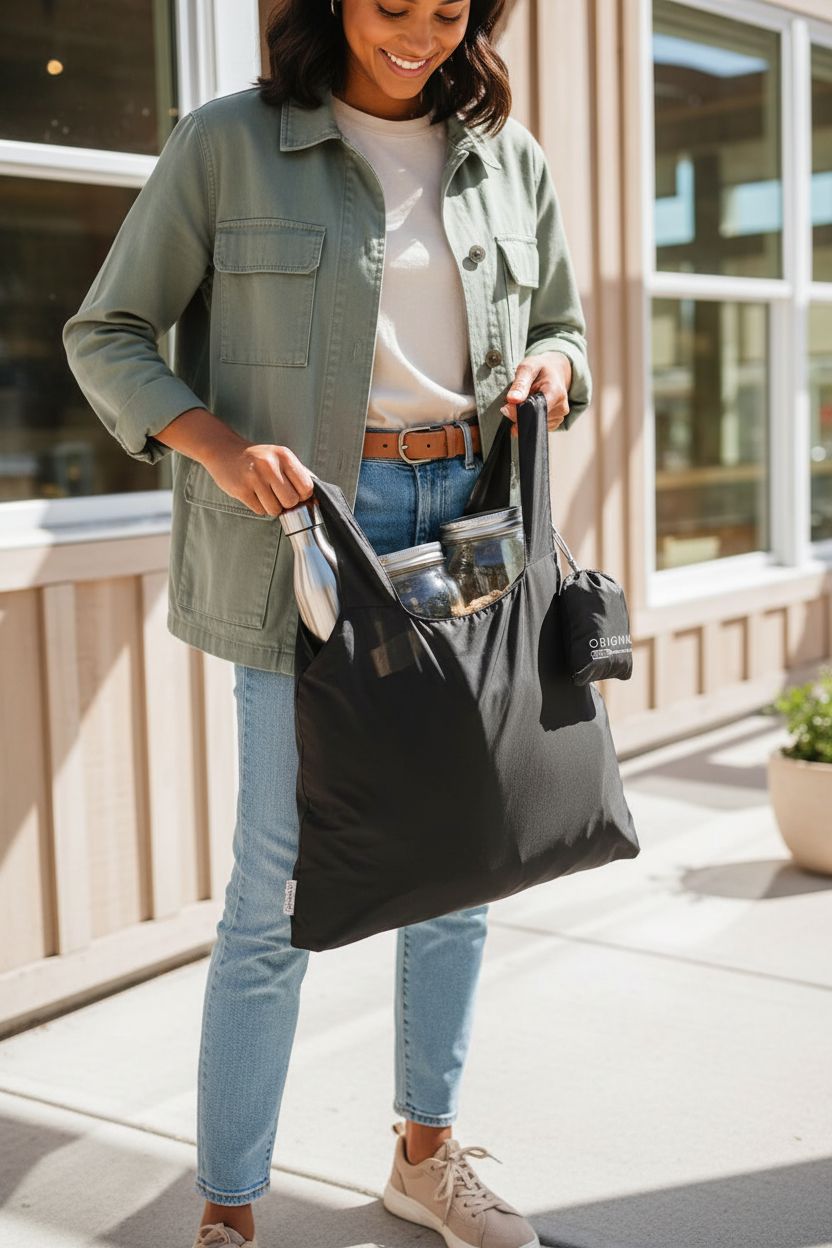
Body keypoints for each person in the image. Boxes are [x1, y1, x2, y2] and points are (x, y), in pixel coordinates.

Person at [62, 1, 592, 1245]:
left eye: (446, 9)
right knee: (274, 889)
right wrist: (217, 447)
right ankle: (231, 1211)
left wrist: (555, 369)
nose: (417, 33)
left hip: (468, 524)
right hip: (305, 535)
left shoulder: (504, 157)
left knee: (465, 861)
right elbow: (108, 333)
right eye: (388, 5)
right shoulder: (231, 142)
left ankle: (424, 1152)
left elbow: (562, 323)